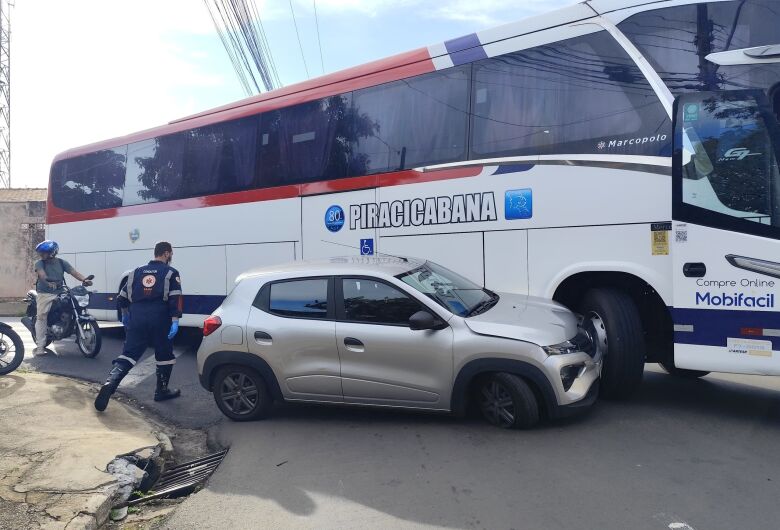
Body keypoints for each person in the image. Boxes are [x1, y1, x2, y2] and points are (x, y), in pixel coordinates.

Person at [94, 241, 183, 412]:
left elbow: (121, 298)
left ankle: (110, 384)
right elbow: (175, 298)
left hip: (137, 317)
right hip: (160, 318)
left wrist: (127, 315)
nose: (171, 257)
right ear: (166, 254)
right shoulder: (171, 273)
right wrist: (175, 321)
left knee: (129, 354)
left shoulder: (136, 272)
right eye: (170, 254)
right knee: (164, 355)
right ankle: (161, 391)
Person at [33, 240, 91, 356]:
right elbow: (42, 275)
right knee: (41, 317)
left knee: (72, 305)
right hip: (45, 293)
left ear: (52, 253)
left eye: (43, 253)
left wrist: (84, 280)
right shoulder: (39, 263)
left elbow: (74, 272)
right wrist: (48, 282)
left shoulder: (61, 262)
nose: (41, 255)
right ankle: (40, 347)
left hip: (61, 291)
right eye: (40, 253)